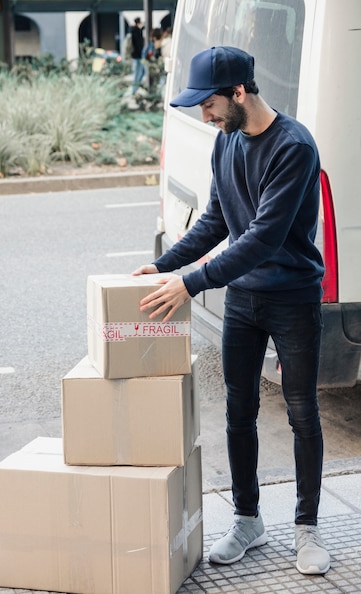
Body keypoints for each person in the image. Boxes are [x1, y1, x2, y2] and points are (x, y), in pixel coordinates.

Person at [132, 45, 330, 576]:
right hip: (242, 299)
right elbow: (217, 221)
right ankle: (247, 520)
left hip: (292, 297)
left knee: (302, 412)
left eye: (210, 104)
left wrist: (191, 283)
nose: (206, 115)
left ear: (239, 92)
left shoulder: (294, 147)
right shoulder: (228, 142)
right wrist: (164, 265)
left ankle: (307, 527)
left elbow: (264, 237)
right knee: (238, 413)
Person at [130, 17, 145, 94]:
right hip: (138, 55)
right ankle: (135, 89)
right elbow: (138, 44)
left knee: (138, 72)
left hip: (136, 55)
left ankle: (135, 89)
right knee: (139, 72)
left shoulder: (134, 31)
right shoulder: (137, 32)